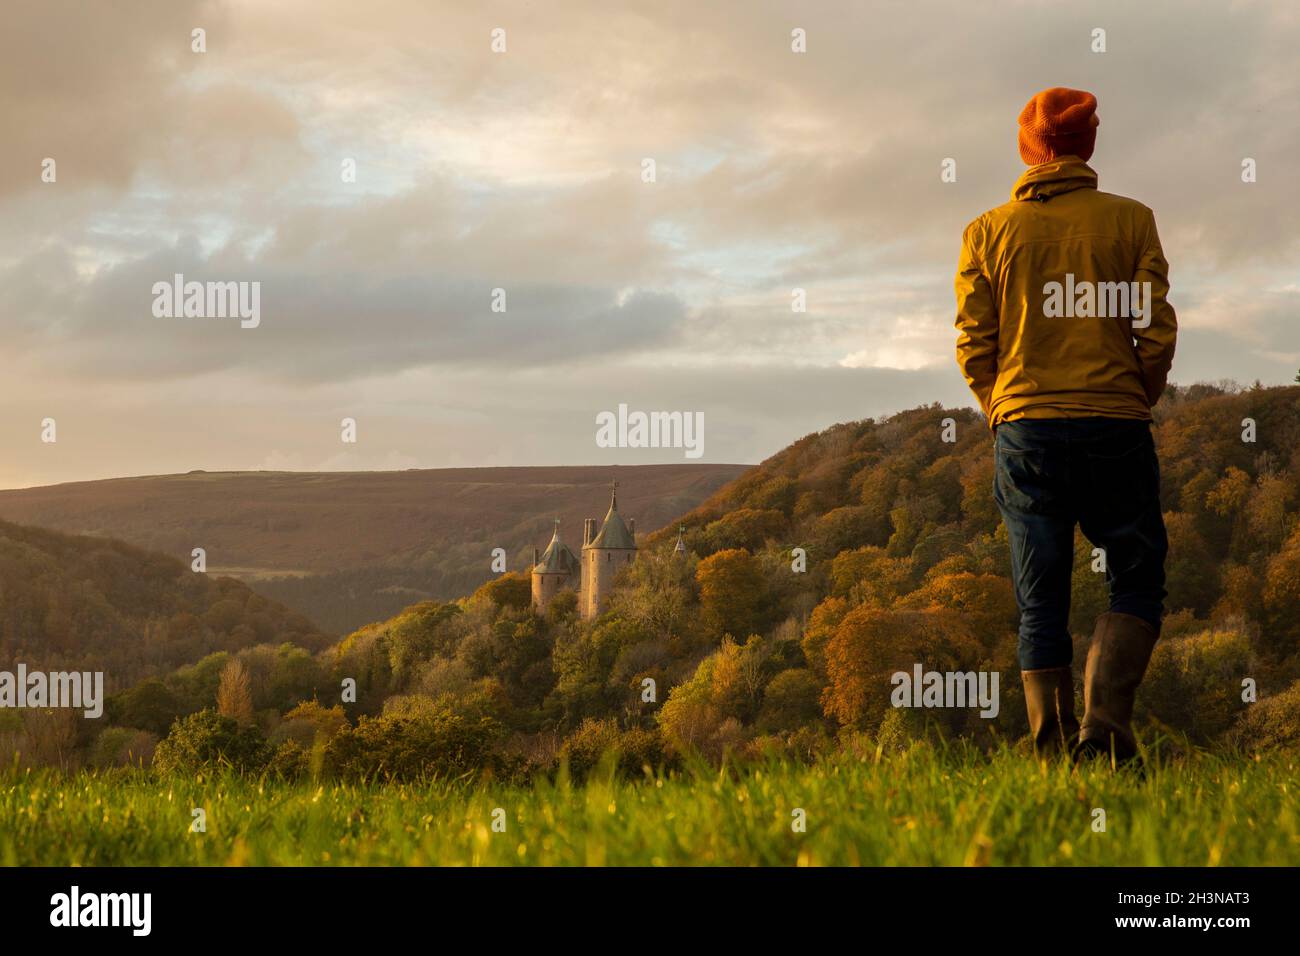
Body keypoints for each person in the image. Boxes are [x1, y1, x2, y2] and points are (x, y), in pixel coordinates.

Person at [953, 87, 1177, 766]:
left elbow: (973, 343)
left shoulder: (986, 231)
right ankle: (1104, 737)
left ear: (1029, 147)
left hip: (1027, 433)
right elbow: (1157, 332)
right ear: (1089, 145)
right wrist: (1134, 395)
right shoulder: (1131, 221)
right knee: (1136, 576)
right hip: (1115, 425)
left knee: (1040, 598)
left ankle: (1052, 762)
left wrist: (1001, 406)